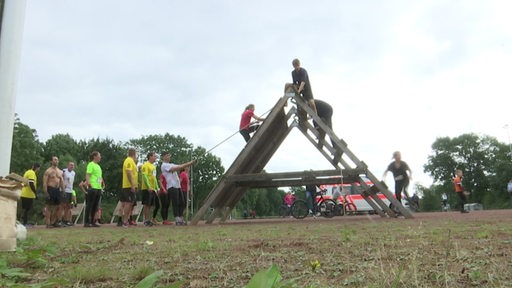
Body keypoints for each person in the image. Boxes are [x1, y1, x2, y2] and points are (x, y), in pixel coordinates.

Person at [160, 152, 194, 225]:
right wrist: (189, 163)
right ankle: (177, 219)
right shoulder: (164, 166)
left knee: (182, 202)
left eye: (169, 155)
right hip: (171, 186)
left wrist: (188, 164)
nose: (169, 157)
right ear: (163, 157)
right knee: (176, 203)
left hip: (178, 186)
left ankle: (181, 217)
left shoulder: (170, 164)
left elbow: (180, 166)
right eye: (167, 156)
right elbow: (178, 168)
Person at [42, 156, 64, 228]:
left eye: (57, 160)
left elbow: (61, 181)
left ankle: (53, 222)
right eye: (54, 160)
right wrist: (46, 192)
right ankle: (48, 223)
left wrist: (63, 191)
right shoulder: (48, 171)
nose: (56, 161)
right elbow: (45, 182)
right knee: (49, 207)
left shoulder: (60, 171)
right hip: (50, 189)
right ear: (51, 161)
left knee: (57, 207)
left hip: (57, 190)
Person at [120, 148, 138, 227]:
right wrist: (132, 184)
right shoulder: (129, 161)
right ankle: (124, 221)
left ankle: (127, 220)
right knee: (128, 202)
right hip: (128, 186)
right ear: (134, 154)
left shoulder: (132, 162)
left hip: (131, 185)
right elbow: (128, 172)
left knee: (131, 203)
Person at [84, 151, 103, 227]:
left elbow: (99, 177)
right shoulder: (91, 164)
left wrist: (101, 185)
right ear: (95, 156)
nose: (100, 157)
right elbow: (88, 174)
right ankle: (86, 222)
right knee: (89, 205)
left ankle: (92, 221)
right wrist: (89, 183)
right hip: (92, 187)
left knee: (95, 206)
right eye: (99, 156)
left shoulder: (98, 166)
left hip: (98, 187)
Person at [141, 152, 160, 227]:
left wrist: (157, 187)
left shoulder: (153, 166)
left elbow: (154, 178)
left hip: (153, 188)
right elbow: (144, 176)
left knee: (150, 204)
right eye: (154, 156)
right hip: (146, 188)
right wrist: (148, 186)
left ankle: (149, 219)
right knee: (146, 204)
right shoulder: (145, 165)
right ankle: (146, 220)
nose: (155, 158)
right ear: (150, 156)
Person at [20, 163, 40, 227]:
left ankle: (24, 222)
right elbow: (31, 184)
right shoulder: (32, 173)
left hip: (25, 193)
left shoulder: (27, 172)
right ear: (35, 167)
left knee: (26, 209)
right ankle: (24, 223)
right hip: (27, 194)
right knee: (27, 209)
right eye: (37, 168)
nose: (37, 170)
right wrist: (35, 193)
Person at [61, 162, 76, 226]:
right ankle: (60, 220)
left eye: (73, 165)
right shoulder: (64, 171)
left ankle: (66, 220)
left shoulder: (73, 173)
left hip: (70, 191)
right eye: (71, 165)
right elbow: (60, 179)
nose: (72, 166)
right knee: (62, 206)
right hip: (64, 190)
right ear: (68, 165)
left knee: (68, 206)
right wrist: (62, 185)